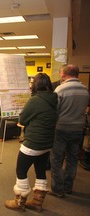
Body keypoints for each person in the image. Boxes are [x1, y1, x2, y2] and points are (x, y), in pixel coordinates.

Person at [5, 73, 58, 212]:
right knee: (40, 170)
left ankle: (19, 202)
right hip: (47, 143)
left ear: (35, 85)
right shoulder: (54, 99)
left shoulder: (35, 100)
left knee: (21, 170)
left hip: (33, 143)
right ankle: (37, 202)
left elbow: (22, 120)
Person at [50, 64, 89, 197]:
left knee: (56, 159)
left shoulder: (60, 90)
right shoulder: (85, 90)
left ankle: (57, 189)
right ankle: (68, 188)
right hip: (78, 130)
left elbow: (55, 111)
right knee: (72, 160)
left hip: (61, 129)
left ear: (63, 74)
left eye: (60, 73)